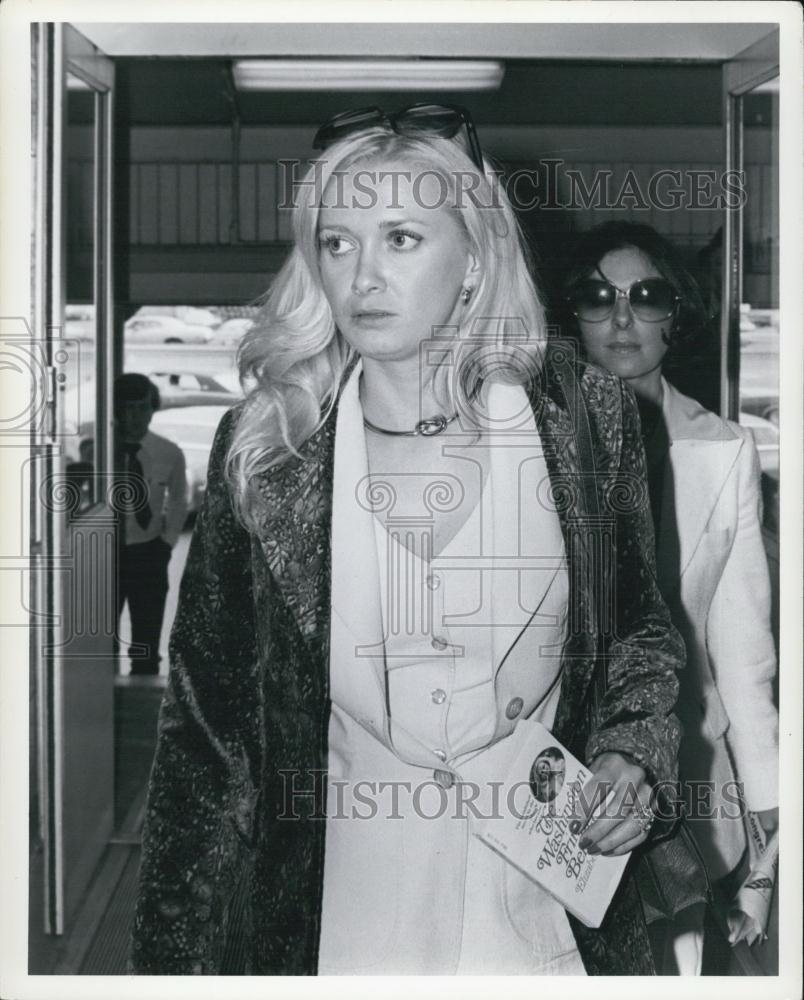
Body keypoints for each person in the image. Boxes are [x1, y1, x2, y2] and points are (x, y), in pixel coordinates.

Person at [130, 106, 685, 975]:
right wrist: (171, 969)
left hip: (538, 909)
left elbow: (638, 633)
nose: (362, 277)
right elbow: (207, 740)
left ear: (472, 262)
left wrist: (629, 749)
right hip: (342, 909)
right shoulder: (269, 448)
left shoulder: (583, 420)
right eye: (338, 243)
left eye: (400, 238)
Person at [561, 221, 779, 974]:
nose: (622, 319)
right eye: (597, 297)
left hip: (685, 782)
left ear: (673, 316)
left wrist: (770, 812)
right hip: (559, 786)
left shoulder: (723, 451)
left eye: (644, 297)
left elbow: (744, 659)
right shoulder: (527, 446)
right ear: (574, 317)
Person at [114, 373, 187, 676]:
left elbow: (180, 501)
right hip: (104, 553)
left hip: (148, 555)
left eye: (142, 407)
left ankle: (142, 712)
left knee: (146, 640)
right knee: (99, 640)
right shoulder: (98, 449)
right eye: (127, 408)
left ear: (153, 408)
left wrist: (166, 544)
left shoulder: (168, 452)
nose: (135, 416)